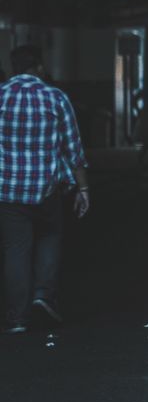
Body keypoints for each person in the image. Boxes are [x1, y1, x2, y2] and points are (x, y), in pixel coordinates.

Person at [0, 45, 91, 334]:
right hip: (47, 188)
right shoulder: (55, 98)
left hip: (7, 190)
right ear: (39, 66)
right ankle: (43, 295)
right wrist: (83, 189)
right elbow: (73, 149)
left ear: (13, 67)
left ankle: (17, 319)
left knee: (15, 250)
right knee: (50, 236)